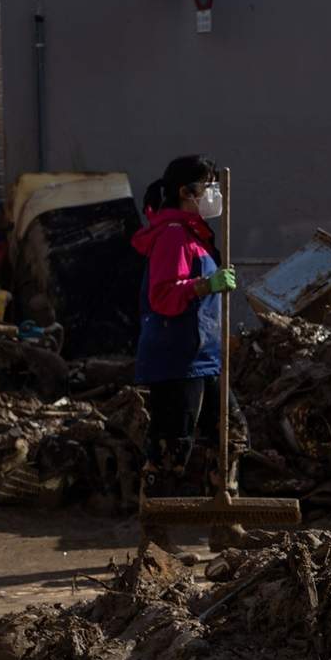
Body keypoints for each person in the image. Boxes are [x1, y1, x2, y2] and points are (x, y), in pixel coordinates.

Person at [132, 155, 238, 550]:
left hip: (204, 355)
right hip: (177, 358)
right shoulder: (174, 236)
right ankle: (155, 532)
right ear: (185, 192)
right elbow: (162, 296)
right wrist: (203, 286)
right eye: (208, 185)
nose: (213, 193)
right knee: (173, 444)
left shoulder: (196, 234)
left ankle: (225, 524)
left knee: (231, 435)